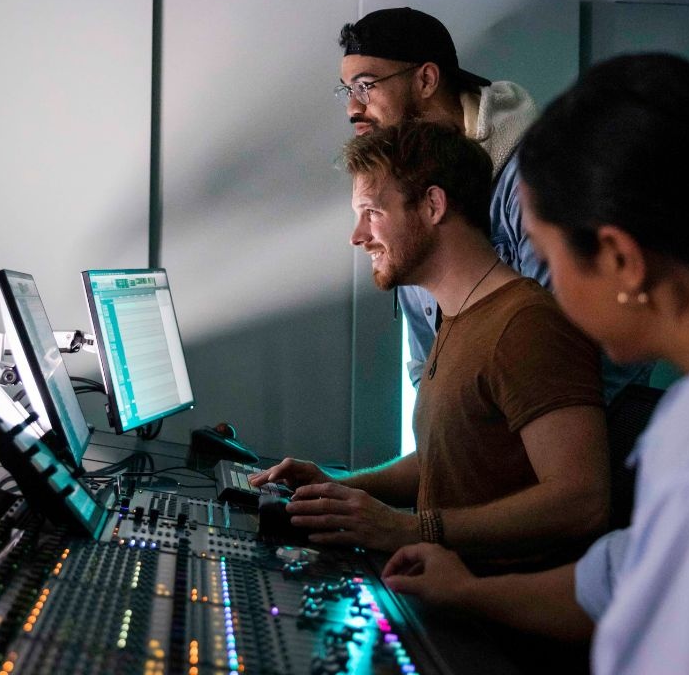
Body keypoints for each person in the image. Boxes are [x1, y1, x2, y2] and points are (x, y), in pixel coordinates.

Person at [380, 53, 689, 673]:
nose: (545, 285)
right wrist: (469, 591)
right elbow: (619, 576)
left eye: (544, 256)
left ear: (620, 260)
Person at [250, 119, 609, 569]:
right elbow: (450, 458)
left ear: (434, 205)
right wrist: (344, 485)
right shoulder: (459, 318)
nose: (357, 236)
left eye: (372, 213)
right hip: (444, 603)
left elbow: (583, 501)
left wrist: (408, 529)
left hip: (492, 625)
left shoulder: (526, 325)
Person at [336, 6, 650, 400]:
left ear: (427, 79)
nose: (352, 108)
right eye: (347, 91)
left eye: (366, 86)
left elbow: (574, 350)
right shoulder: (404, 193)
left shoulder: (535, 177)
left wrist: (510, 443)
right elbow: (427, 369)